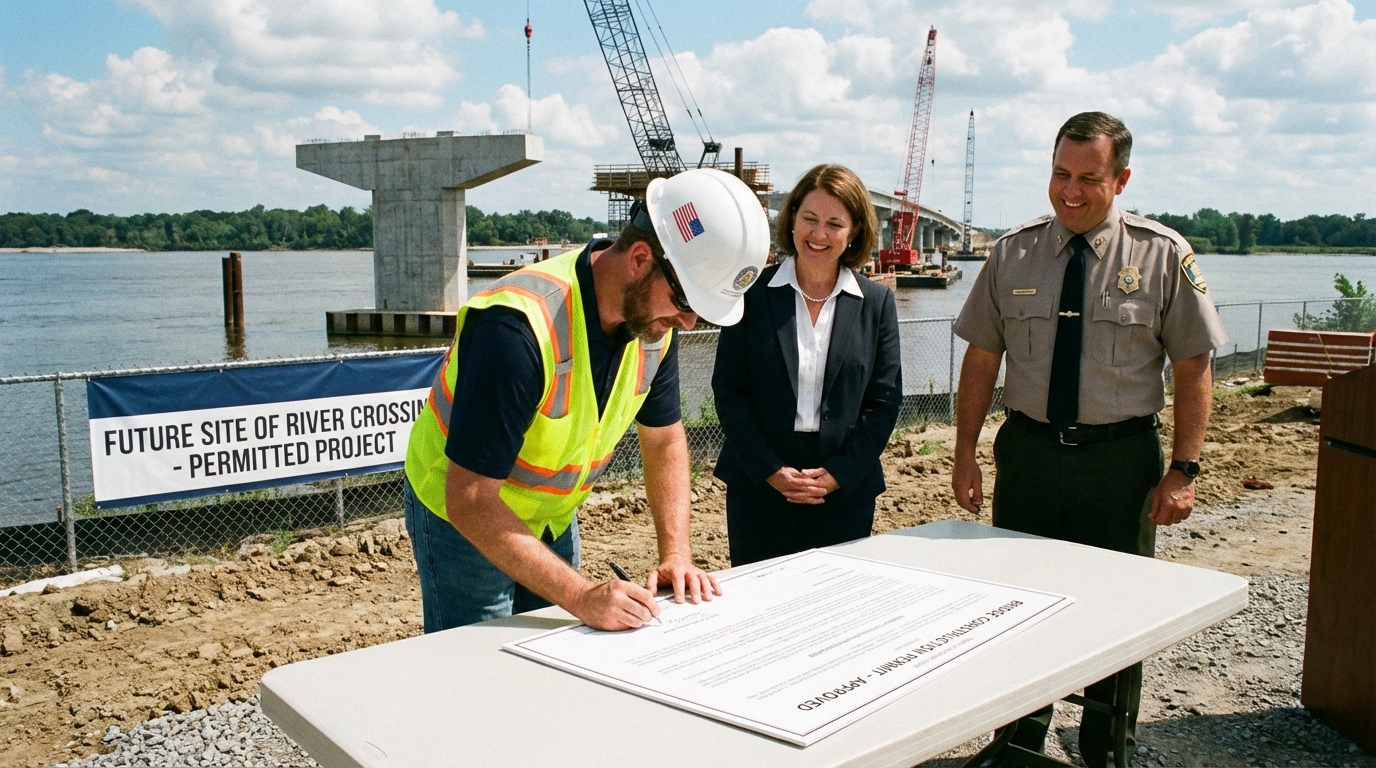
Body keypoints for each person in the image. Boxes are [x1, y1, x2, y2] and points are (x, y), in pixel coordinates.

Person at [950, 112, 1228, 766]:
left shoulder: (1161, 255)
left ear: (1121, 178)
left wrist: (1184, 469)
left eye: (1088, 179)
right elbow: (982, 361)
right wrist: (964, 451)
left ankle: (1107, 749)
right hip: (1030, 457)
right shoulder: (1012, 252)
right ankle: (1016, 741)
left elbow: (1194, 368)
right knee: (1018, 606)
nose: (1069, 191)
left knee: (1116, 613)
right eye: (1059, 174)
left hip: (1121, 465)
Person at [403, 168, 770, 632]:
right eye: (684, 301)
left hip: (550, 516)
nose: (689, 321)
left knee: (556, 652)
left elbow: (665, 441)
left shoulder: (654, 326)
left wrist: (675, 553)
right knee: (479, 664)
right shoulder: (515, 329)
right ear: (640, 259)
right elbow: (471, 498)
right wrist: (580, 594)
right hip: (460, 514)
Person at [712, 164, 903, 566]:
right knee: (759, 603)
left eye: (835, 223)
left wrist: (839, 474)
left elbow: (884, 403)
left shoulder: (878, 305)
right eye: (810, 219)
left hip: (843, 486)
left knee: (834, 608)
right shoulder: (750, 295)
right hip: (760, 484)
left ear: (854, 233)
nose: (818, 234)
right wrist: (770, 469)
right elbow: (730, 392)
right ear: (792, 218)